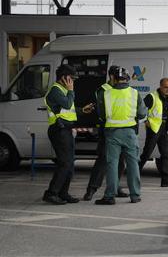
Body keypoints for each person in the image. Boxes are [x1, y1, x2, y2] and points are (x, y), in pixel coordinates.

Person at [95, 66, 146, 205]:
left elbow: (101, 114)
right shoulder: (135, 94)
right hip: (130, 133)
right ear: (127, 78)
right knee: (133, 163)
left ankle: (110, 196)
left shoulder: (105, 94)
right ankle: (135, 195)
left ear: (113, 78)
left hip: (112, 133)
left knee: (112, 164)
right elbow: (142, 114)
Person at [83, 67, 130, 201]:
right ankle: (91, 189)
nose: (120, 80)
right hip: (107, 130)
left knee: (121, 161)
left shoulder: (122, 89)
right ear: (111, 77)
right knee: (103, 160)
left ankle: (115, 187)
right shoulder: (103, 90)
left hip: (121, 129)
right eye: (117, 77)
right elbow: (101, 112)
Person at [42, 64, 79, 205]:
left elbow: (67, 110)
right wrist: (71, 91)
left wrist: (82, 110)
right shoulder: (56, 90)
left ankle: (63, 193)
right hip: (59, 130)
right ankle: (51, 193)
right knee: (64, 163)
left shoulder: (63, 90)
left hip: (66, 130)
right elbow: (67, 104)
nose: (73, 82)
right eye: (71, 78)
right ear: (64, 78)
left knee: (69, 164)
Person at [139, 77, 168, 187]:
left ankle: (166, 180)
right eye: (166, 87)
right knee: (146, 154)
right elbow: (140, 110)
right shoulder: (152, 96)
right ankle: (134, 176)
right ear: (160, 86)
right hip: (154, 128)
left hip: (164, 129)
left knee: (166, 154)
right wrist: (145, 121)